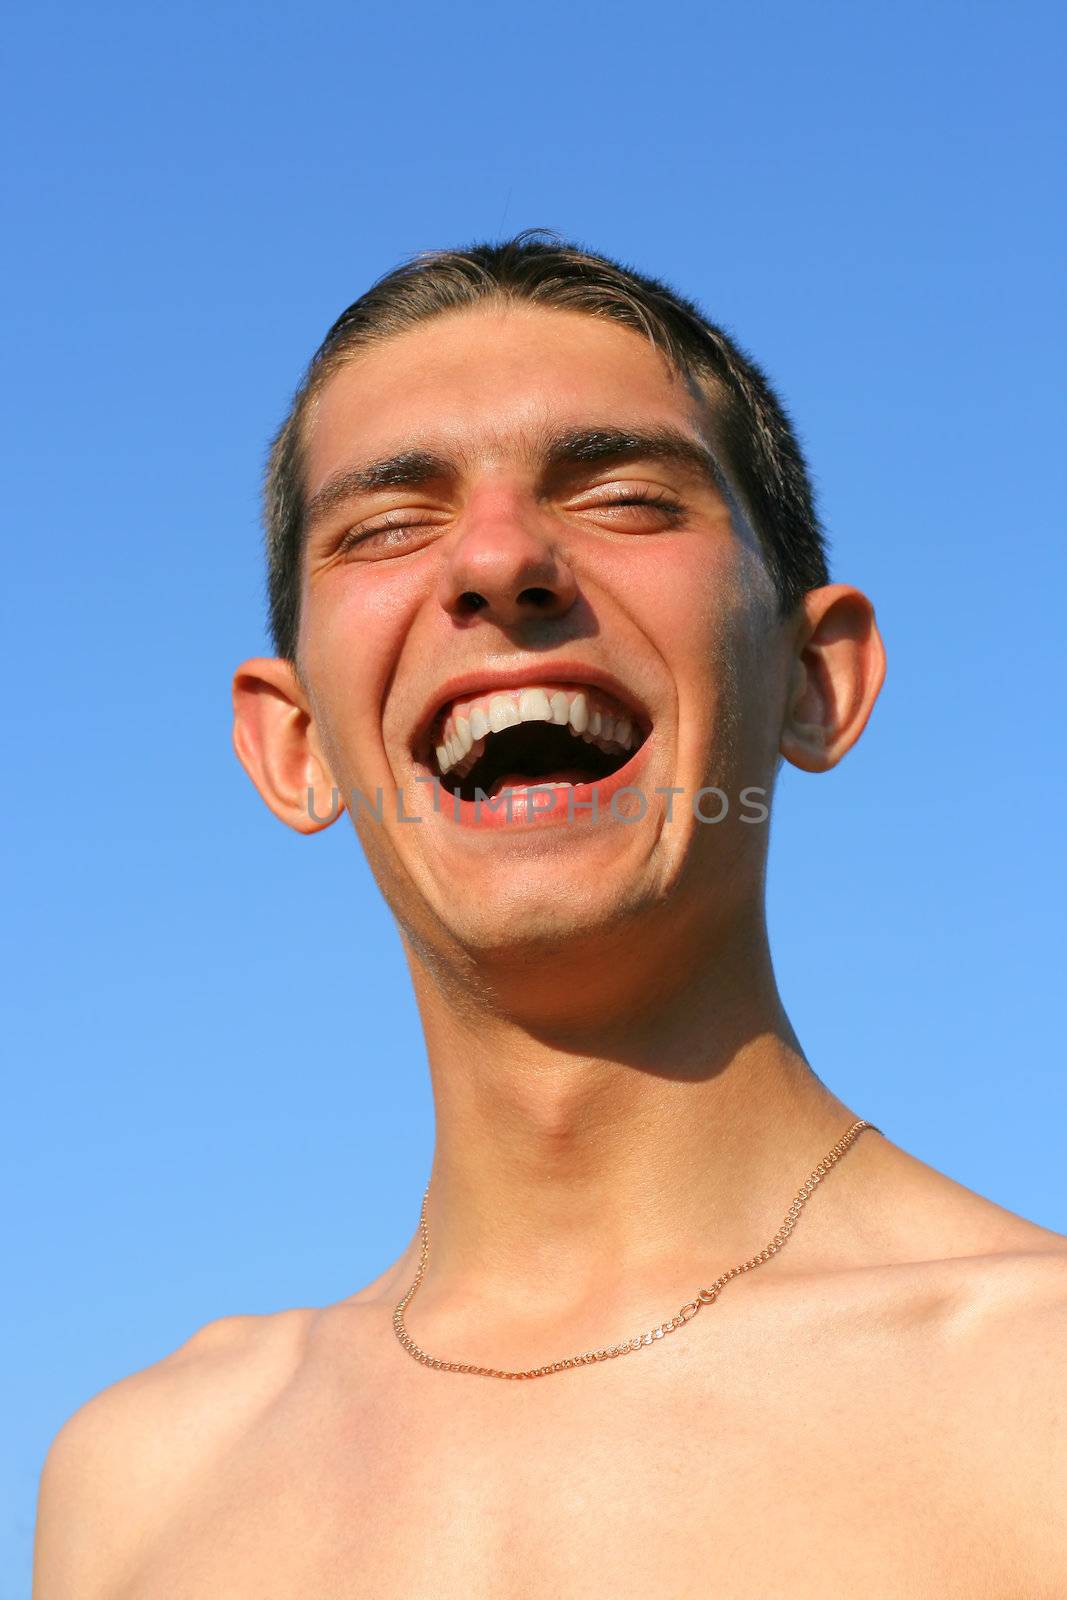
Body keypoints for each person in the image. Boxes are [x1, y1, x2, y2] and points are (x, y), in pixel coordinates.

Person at [34, 235, 1066, 1597]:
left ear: (815, 680)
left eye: (628, 498)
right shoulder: (140, 1489)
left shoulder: (1035, 1398)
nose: (502, 559)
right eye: (388, 526)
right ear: (294, 747)